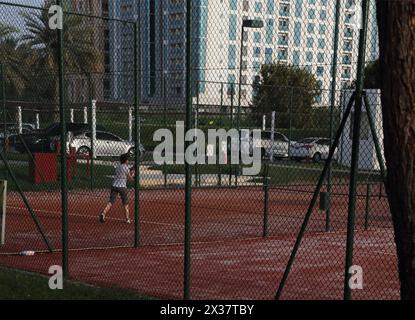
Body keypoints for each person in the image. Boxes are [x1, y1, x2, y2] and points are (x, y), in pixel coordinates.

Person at [100, 153, 135, 224]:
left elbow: (123, 173)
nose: (128, 160)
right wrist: (133, 174)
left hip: (114, 185)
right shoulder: (126, 168)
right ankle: (127, 219)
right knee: (125, 203)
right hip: (122, 187)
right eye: (127, 159)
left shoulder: (118, 166)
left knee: (111, 202)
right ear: (125, 160)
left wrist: (130, 170)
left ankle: (103, 213)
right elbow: (130, 178)